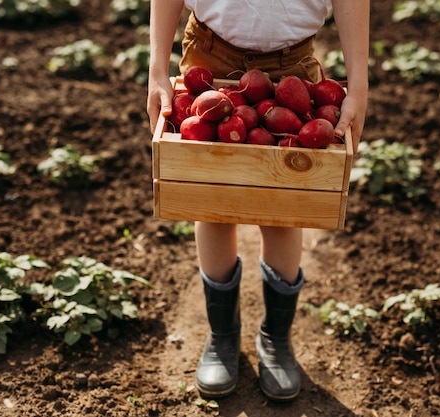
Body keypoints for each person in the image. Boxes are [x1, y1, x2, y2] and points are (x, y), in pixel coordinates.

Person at [146, 0, 370, 401]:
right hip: (211, 56)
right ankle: (222, 335)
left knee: (284, 207)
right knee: (212, 203)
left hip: (292, 63)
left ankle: (275, 339)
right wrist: (156, 69)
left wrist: (360, 81)